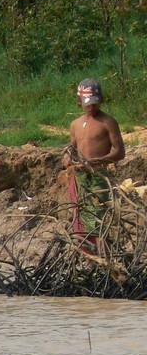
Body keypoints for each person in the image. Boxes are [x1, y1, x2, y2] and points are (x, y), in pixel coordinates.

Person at [62, 78, 125, 246]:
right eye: (88, 103)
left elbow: (120, 152)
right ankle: (86, 252)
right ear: (80, 101)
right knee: (80, 214)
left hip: (98, 176)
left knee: (97, 216)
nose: (92, 107)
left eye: (95, 103)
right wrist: (68, 156)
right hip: (80, 177)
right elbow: (72, 148)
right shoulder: (75, 124)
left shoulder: (108, 122)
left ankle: (100, 251)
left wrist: (96, 161)